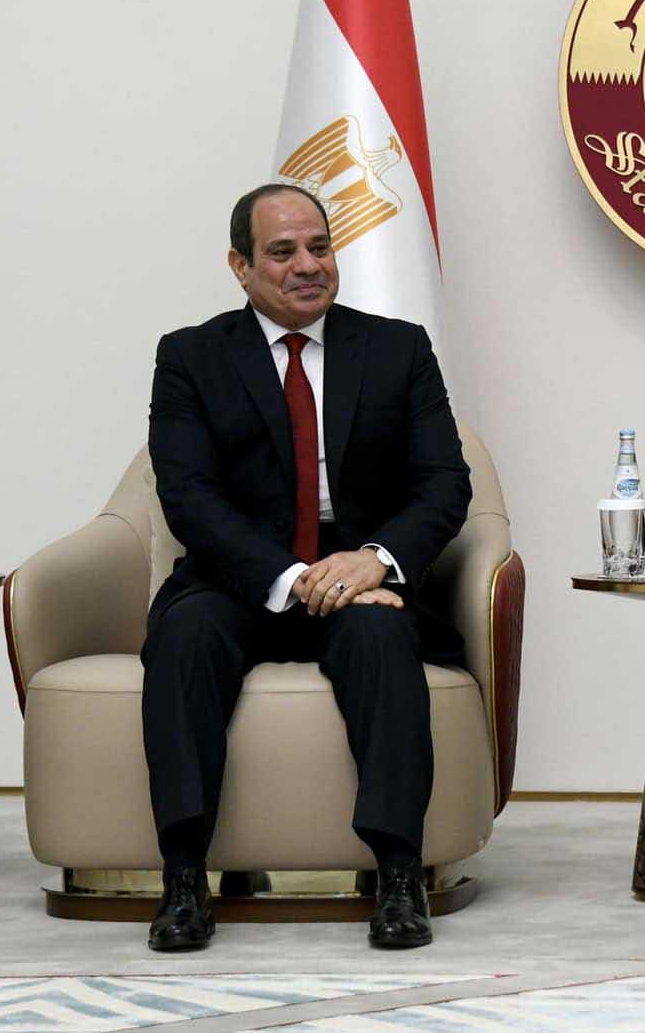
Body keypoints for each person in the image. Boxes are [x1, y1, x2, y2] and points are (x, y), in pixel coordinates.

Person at [140, 183, 470, 952]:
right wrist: (293, 579)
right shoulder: (190, 356)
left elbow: (444, 484)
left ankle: (398, 876)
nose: (307, 265)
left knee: (382, 641)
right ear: (241, 265)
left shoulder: (398, 349)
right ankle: (184, 878)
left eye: (319, 247)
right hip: (237, 577)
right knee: (185, 638)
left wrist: (374, 561)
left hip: (356, 574)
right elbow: (189, 497)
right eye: (282, 252)